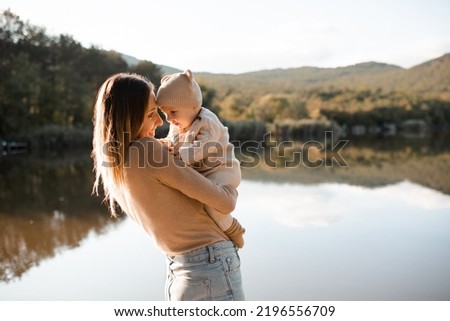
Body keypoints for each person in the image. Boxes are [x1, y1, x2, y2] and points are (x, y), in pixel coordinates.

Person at [92, 72, 245, 301]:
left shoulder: (114, 161)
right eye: (151, 114)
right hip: (209, 265)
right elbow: (225, 201)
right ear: (130, 117)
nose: (160, 122)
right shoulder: (147, 149)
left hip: (179, 269)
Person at [156, 70, 245, 248]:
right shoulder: (178, 123)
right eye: (164, 113)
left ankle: (233, 228)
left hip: (222, 171)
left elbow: (202, 148)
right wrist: (163, 145)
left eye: (173, 111)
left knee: (212, 205)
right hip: (203, 172)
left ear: (193, 106)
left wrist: (178, 156)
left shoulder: (208, 122)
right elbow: (172, 142)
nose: (168, 118)